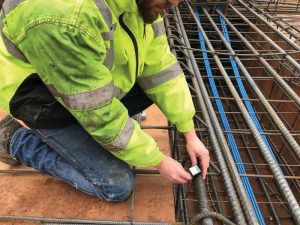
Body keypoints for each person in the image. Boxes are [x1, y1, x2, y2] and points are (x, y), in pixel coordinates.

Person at [0, 0, 210, 201]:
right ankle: (15, 140)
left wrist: (188, 131)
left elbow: (160, 67)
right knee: (116, 185)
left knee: (148, 90)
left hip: (81, 83)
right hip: (41, 99)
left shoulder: (142, 3)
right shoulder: (62, 15)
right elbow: (95, 111)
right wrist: (158, 160)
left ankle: (101, 140)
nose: (175, 3)